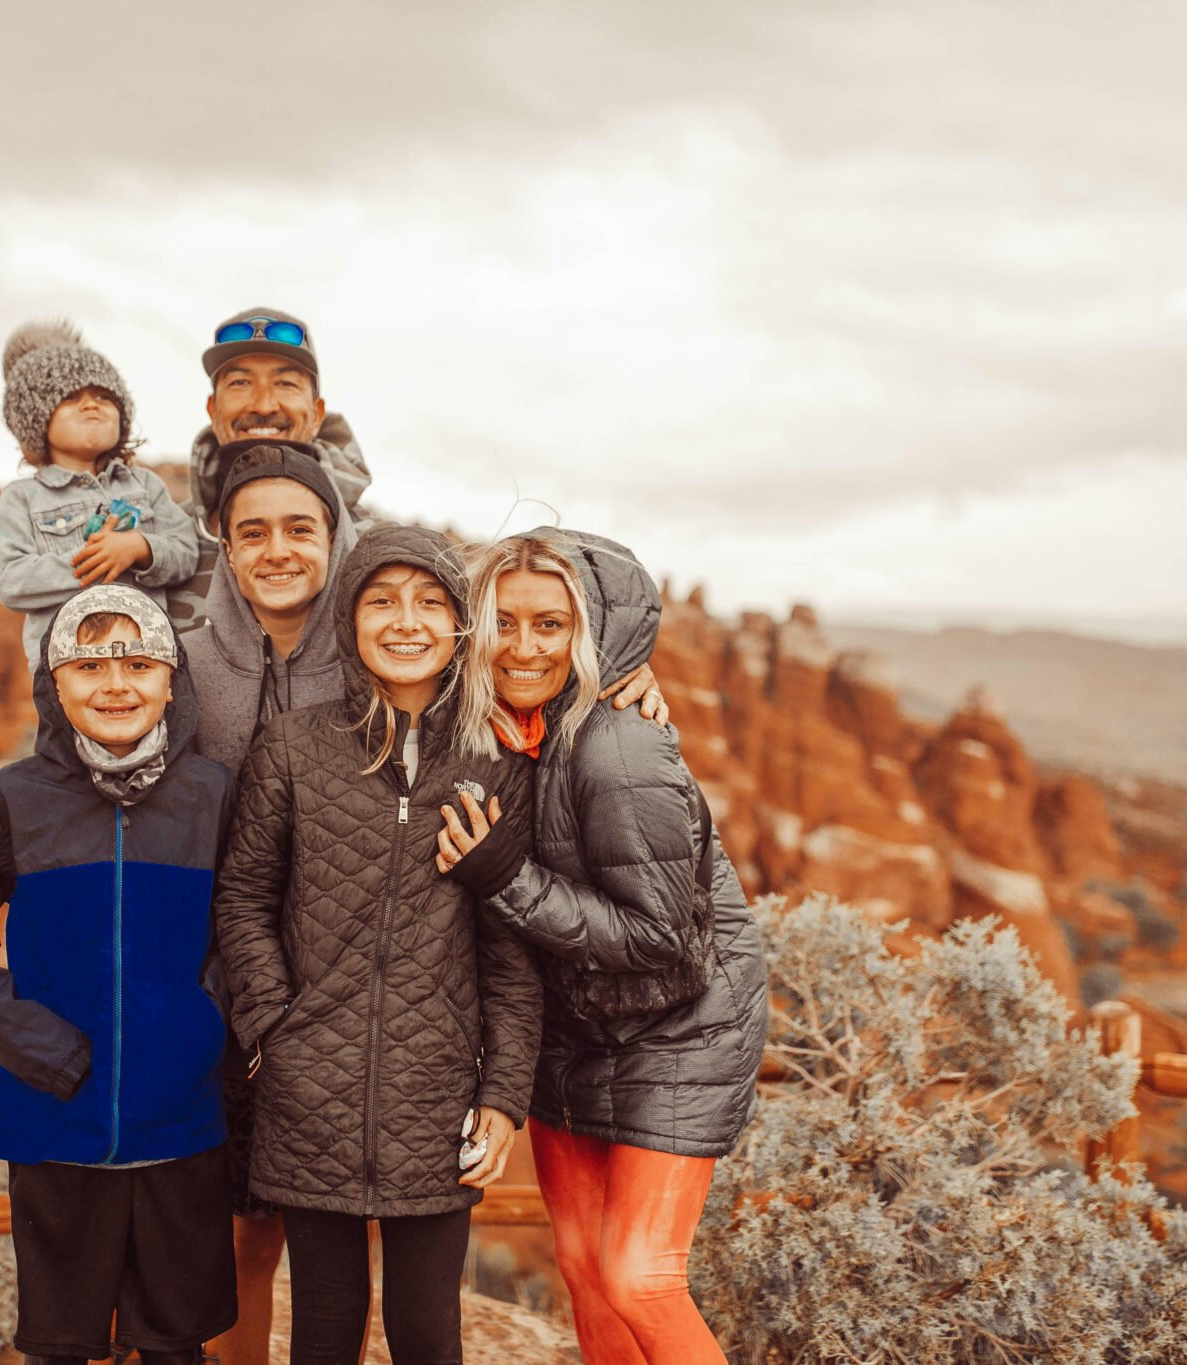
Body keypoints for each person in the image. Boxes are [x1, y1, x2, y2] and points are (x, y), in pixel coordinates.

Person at [213, 525, 544, 1365]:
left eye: (431, 602)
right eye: (383, 602)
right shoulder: (292, 746)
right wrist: (270, 1032)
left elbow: (512, 952)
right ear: (351, 623)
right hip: (305, 1089)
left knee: (426, 1331)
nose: (408, 621)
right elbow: (244, 898)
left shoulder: (494, 762)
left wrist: (503, 1096)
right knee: (325, 1325)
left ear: (460, 626)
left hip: (438, 1097)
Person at [437, 530, 769, 1365]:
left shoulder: (620, 741)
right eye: (502, 622)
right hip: (577, 1023)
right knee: (584, 1269)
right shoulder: (501, 727)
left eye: (550, 625)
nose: (523, 646)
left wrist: (504, 879)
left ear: (588, 634)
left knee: (638, 1276)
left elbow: (661, 938)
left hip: (679, 1027)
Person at [0, 585, 236, 1365]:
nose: (115, 683)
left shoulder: (213, 794)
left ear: (171, 678)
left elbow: (248, 922)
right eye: (88, 664)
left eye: (137, 661)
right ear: (54, 685)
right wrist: (33, 1042)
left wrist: (201, 1029)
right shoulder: (12, 800)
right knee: (58, 1346)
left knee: (174, 1342)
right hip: (54, 1117)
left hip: (181, 1119)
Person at [0, 319, 198, 672]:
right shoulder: (22, 498)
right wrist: (92, 561)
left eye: (103, 396)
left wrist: (141, 549)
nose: (91, 405)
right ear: (36, 421)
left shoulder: (144, 485)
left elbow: (186, 550)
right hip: (67, 672)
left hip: (150, 663)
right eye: (70, 398)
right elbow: (11, 580)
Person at [165, 307, 372, 638]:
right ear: (212, 410)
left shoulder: (372, 547)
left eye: (285, 383)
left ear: (317, 414)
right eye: (240, 382)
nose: (263, 405)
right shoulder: (160, 539)